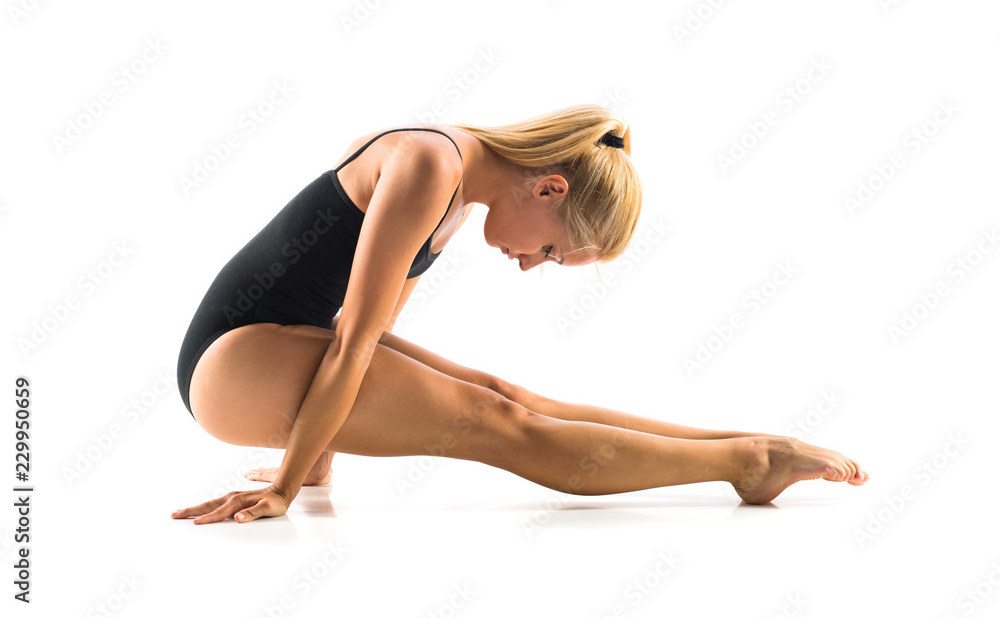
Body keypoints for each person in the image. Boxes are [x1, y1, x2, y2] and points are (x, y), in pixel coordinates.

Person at [171, 104, 868, 525]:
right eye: (553, 250)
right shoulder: (428, 163)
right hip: (233, 362)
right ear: (549, 189)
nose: (532, 264)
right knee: (497, 423)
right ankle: (748, 463)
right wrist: (286, 486)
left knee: (507, 394)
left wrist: (318, 455)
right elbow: (352, 343)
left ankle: (752, 440)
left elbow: (363, 331)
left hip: (273, 350)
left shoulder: (453, 183)